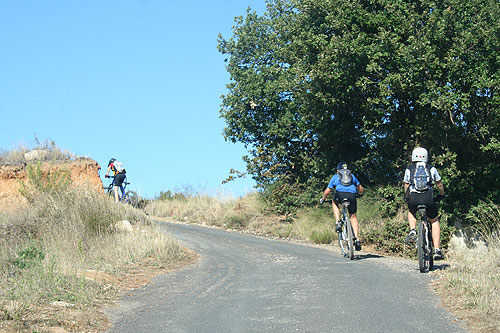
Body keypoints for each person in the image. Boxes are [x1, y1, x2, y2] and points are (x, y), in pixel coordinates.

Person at [403, 147, 445, 260]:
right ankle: (437, 250)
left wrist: (407, 198)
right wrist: (442, 195)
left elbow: (406, 185)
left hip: (414, 198)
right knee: (434, 220)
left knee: (411, 211)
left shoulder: (409, 169)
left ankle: (412, 230)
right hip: (428, 198)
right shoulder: (432, 168)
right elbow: (439, 184)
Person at [320, 162, 364, 250]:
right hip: (352, 196)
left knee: (334, 202)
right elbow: (360, 188)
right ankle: (357, 238)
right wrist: (360, 194)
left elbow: (328, 191)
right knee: (353, 216)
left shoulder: (336, 176)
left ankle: (338, 222)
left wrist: (323, 199)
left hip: (339, 195)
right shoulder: (352, 176)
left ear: (338, 170)